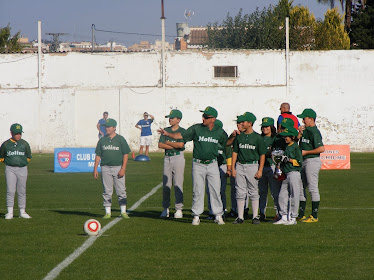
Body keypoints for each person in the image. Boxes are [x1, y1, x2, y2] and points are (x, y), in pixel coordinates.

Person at [158, 106, 228, 226]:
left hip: (212, 163)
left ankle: (218, 215)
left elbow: (226, 142)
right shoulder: (197, 128)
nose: (203, 118)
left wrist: (234, 137)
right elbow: (181, 135)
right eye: (203, 116)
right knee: (197, 190)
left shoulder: (219, 131)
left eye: (206, 117)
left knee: (215, 190)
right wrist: (168, 134)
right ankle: (196, 215)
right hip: (198, 163)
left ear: (213, 119)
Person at [231, 112, 266, 225]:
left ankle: (255, 216)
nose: (241, 123)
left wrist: (260, 169)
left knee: (253, 191)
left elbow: (262, 154)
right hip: (240, 165)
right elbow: (235, 152)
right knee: (240, 191)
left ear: (250, 123)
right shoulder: (239, 136)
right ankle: (240, 217)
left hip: (252, 165)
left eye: (243, 122)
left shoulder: (257, 138)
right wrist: (233, 167)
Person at [94, 118, 131, 219]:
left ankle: (123, 211)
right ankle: (107, 212)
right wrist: (95, 168)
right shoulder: (102, 140)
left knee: (121, 190)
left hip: (118, 167)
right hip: (105, 167)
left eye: (109, 127)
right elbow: (98, 155)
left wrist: (123, 168)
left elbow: (125, 154)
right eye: (106, 127)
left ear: (114, 128)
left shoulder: (120, 139)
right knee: (107, 190)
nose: (107, 128)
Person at [296, 109, 325, 223]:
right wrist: (299, 133)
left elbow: (321, 148)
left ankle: (314, 215)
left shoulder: (314, 131)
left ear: (311, 119)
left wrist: (306, 152)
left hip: (312, 161)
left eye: (305, 118)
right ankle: (301, 214)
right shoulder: (305, 130)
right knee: (301, 187)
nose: (303, 120)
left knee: (312, 188)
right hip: (303, 161)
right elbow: (296, 142)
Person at [0, 123, 32, 219]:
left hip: (22, 168)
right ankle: (10, 212)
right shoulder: (5, 144)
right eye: (16, 133)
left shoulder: (24, 144)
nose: (18, 135)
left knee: (22, 190)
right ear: (11, 133)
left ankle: (22, 211)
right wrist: (10, 162)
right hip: (10, 169)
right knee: (10, 190)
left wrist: (22, 163)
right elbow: (1, 157)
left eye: (20, 133)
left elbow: (29, 156)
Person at [158, 109, 186, 219]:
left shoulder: (183, 131)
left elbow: (181, 145)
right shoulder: (165, 130)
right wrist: (174, 145)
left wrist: (168, 143)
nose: (170, 119)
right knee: (166, 184)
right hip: (167, 157)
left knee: (178, 183)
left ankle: (179, 209)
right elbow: (160, 145)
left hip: (178, 157)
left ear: (178, 120)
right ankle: (166, 208)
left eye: (172, 118)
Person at [273, 127, 302, 225]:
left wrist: (288, 160)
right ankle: (284, 216)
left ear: (293, 137)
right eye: (285, 136)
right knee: (282, 195)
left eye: (287, 136)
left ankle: (293, 217)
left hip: (294, 173)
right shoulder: (285, 147)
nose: (285, 138)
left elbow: (299, 162)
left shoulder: (295, 147)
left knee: (294, 195)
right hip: (286, 173)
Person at [205, 119, 232, 219]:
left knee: (220, 190)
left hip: (222, 166)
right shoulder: (210, 139)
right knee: (209, 189)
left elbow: (229, 155)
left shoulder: (224, 141)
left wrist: (229, 169)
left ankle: (222, 209)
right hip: (211, 165)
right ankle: (211, 210)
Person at [258, 117, 279, 221]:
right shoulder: (259, 138)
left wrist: (265, 154)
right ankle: (261, 213)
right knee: (262, 192)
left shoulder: (275, 139)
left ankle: (278, 213)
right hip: (261, 167)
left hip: (272, 166)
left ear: (271, 127)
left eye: (266, 126)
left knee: (274, 192)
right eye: (263, 127)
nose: (264, 129)